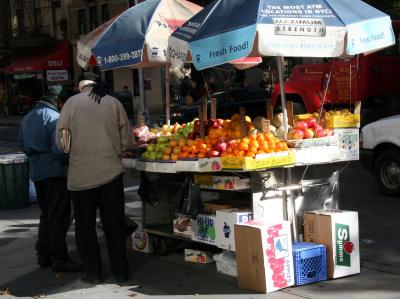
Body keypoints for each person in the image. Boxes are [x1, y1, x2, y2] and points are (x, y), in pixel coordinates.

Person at [56, 72, 134, 285]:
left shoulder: (70, 104)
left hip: (81, 177)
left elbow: (62, 143)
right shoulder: (113, 102)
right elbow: (127, 139)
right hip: (110, 174)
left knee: (85, 227)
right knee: (114, 225)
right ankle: (121, 271)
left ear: (80, 86)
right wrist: (120, 148)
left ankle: (93, 273)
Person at [19, 90, 83, 273]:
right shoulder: (54, 118)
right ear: (56, 102)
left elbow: (22, 145)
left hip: (37, 172)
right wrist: (72, 160)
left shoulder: (27, 118)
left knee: (46, 214)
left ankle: (43, 253)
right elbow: (60, 150)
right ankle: (59, 257)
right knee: (58, 216)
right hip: (54, 173)